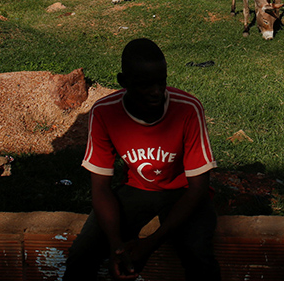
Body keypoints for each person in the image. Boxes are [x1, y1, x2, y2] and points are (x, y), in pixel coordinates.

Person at [63, 38, 221, 280]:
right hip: (137, 189)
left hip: (183, 191)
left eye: (161, 82)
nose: (156, 92)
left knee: (198, 256)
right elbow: (100, 188)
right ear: (123, 82)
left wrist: (150, 244)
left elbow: (198, 188)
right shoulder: (104, 112)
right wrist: (116, 246)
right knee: (81, 255)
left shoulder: (187, 109)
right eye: (145, 85)